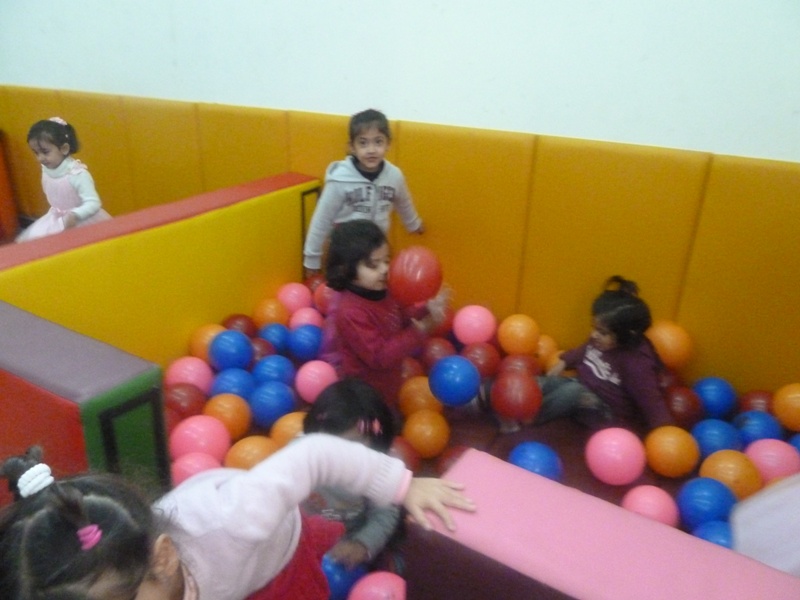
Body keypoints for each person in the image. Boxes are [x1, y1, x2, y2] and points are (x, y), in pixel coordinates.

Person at [0, 441, 474, 600]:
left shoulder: (237, 518)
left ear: (162, 560)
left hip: (274, 559)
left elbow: (315, 454)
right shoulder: (127, 581)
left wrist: (402, 485)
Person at [484, 276, 674, 433]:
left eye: (602, 332)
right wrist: (565, 361)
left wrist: (665, 433)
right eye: (594, 328)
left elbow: (652, 402)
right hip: (580, 384)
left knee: (573, 392)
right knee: (541, 383)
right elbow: (586, 349)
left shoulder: (637, 363)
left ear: (627, 335)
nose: (594, 335)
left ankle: (528, 417)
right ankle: (488, 396)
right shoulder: (603, 340)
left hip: (607, 413)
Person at [322, 219, 448, 409]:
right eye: (373, 265)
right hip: (364, 396)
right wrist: (420, 330)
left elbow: (399, 317)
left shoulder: (385, 291)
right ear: (346, 269)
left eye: (387, 261)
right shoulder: (350, 312)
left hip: (388, 384)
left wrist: (426, 309)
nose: (384, 270)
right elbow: (379, 357)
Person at [302, 109, 424, 279]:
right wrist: (312, 259)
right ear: (352, 147)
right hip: (345, 250)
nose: (371, 150)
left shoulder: (394, 176)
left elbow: (403, 202)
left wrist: (413, 224)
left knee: (376, 284)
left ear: (388, 144)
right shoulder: (340, 180)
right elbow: (322, 219)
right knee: (344, 288)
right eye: (363, 143)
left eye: (378, 142)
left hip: (376, 250)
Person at [302, 378, 404, 571]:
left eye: (353, 446)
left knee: (390, 566)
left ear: (375, 442)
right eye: (330, 444)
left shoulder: (380, 469)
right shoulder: (300, 455)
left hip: (354, 538)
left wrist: (362, 544)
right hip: (306, 539)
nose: (341, 454)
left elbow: (385, 513)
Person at [17, 117, 111, 242]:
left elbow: (93, 203)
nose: (40, 158)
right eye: (36, 153)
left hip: (81, 220)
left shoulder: (76, 174)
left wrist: (75, 214)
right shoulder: (46, 168)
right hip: (57, 220)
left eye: (45, 152)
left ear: (64, 149)